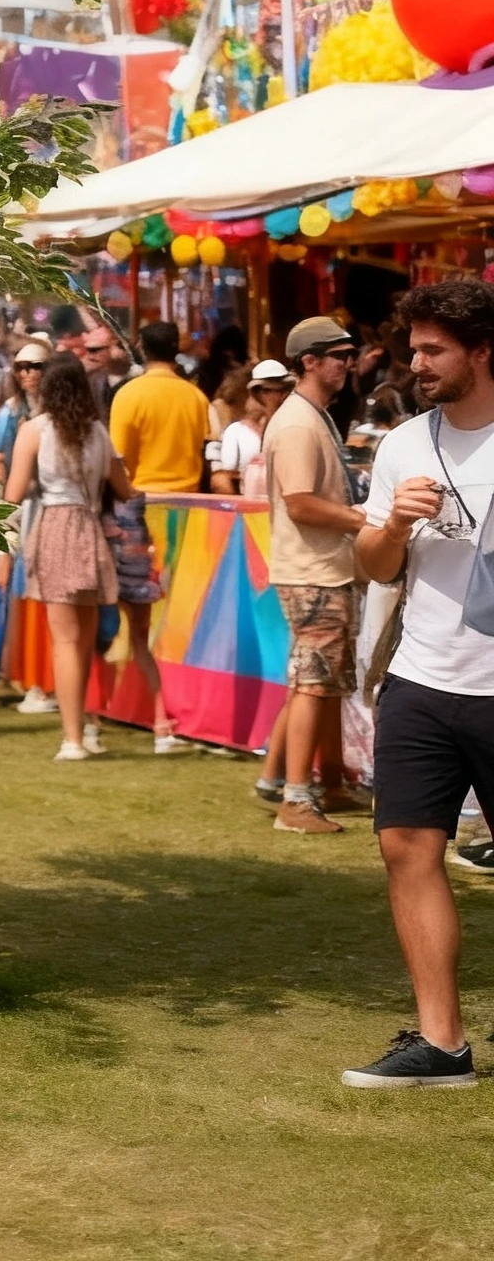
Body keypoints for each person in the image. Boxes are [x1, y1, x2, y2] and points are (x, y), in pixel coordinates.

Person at [340, 281, 494, 1085]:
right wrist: (393, 522)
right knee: (407, 846)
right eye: (415, 348)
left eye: (436, 350)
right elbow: (373, 567)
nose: (417, 362)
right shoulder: (403, 443)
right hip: (423, 679)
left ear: (482, 351)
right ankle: (442, 1045)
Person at [253, 317, 370, 838]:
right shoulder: (299, 421)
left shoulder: (309, 414)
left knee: (327, 683)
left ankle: (327, 784)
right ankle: (297, 799)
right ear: (310, 361)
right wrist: (366, 518)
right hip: (312, 571)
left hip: (323, 568)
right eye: (339, 355)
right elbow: (301, 504)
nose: (349, 363)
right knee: (314, 683)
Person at [4, 352, 133, 763]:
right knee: (83, 641)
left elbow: (14, 492)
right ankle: (87, 725)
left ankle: (73, 737)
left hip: (56, 527)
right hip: (90, 527)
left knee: (64, 640)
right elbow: (125, 489)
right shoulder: (97, 431)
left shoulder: (34, 430)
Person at [107, 320, 208, 753]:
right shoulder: (196, 396)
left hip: (141, 512)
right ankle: (167, 711)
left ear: (139, 347)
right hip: (195, 514)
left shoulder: (130, 394)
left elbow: (117, 461)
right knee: (182, 617)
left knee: (142, 619)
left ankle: (155, 711)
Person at [210, 360, 293, 496]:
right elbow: (221, 481)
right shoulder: (234, 432)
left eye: (282, 390)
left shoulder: (295, 427)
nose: (275, 397)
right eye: (266, 390)